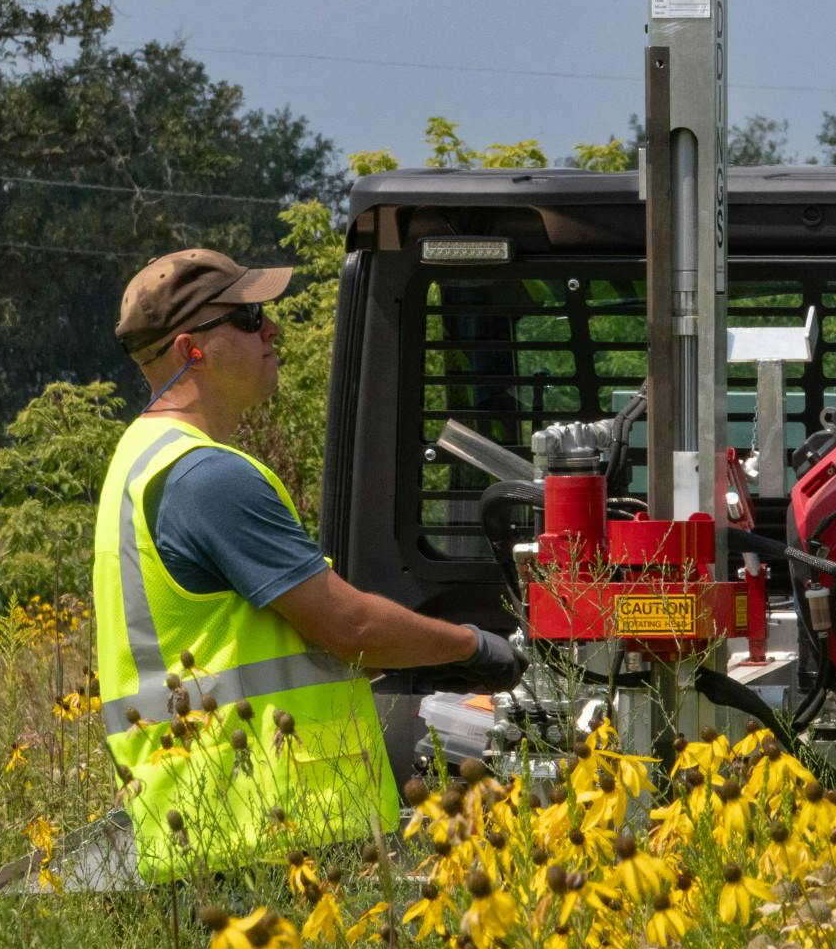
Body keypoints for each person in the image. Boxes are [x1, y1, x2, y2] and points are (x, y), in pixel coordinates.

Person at [94, 248, 526, 882]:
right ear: (191, 349)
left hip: (211, 824)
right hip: (264, 831)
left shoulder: (143, 458)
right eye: (247, 317)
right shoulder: (206, 477)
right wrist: (479, 647)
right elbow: (348, 629)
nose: (272, 329)